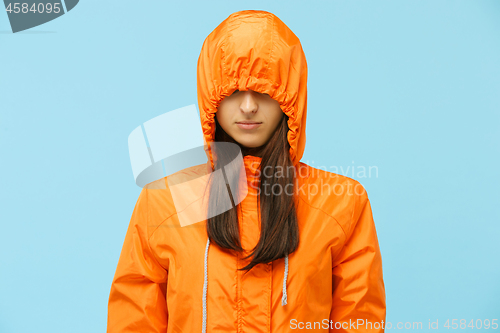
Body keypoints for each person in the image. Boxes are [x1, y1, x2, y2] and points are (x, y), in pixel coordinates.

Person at [107, 9, 386, 333]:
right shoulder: (166, 198)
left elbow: (359, 320)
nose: (249, 106)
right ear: (212, 96)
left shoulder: (341, 202)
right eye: (234, 91)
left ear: (290, 98)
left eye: (266, 91)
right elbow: (134, 317)